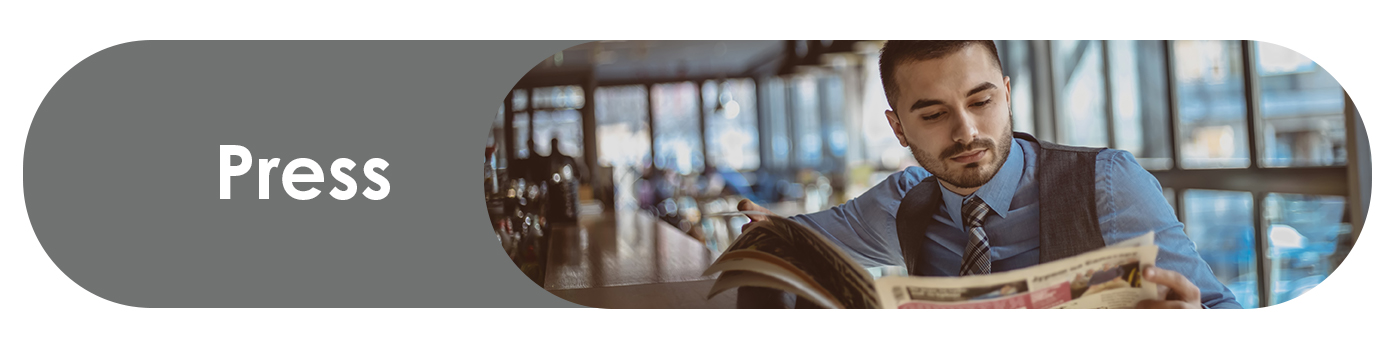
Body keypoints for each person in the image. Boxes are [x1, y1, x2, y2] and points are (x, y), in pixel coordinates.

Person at [738, 40, 1240, 309]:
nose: (967, 131)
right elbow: (793, 237)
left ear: (1006, 92)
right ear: (898, 128)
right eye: (933, 115)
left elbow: (1223, 315)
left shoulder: (1108, 183)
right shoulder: (903, 203)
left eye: (981, 101)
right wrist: (764, 232)